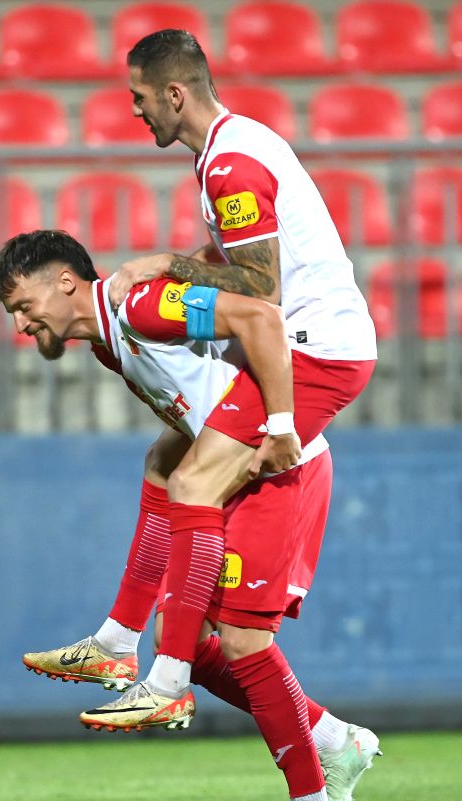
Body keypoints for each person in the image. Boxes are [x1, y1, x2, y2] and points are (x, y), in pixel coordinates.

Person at [0, 230, 379, 801]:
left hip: (278, 470)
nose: (19, 324)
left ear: (64, 282)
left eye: (22, 305)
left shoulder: (140, 308)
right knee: (190, 633)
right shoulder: (111, 345)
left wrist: (281, 425)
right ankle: (332, 740)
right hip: (236, 473)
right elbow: (198, 411)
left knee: (243, 643)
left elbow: (258, 317)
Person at [70, 29, 379, 735]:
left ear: (175, 94)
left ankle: (166, 680)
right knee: (171, 465)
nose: (136, 111)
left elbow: (261, 287)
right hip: (308, 344)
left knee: (192, 481)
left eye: (141, 98)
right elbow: (246, 262)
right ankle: (133, 647)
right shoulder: (229, 148)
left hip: (314, 349)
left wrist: (167, 264)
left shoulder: (232, 165)